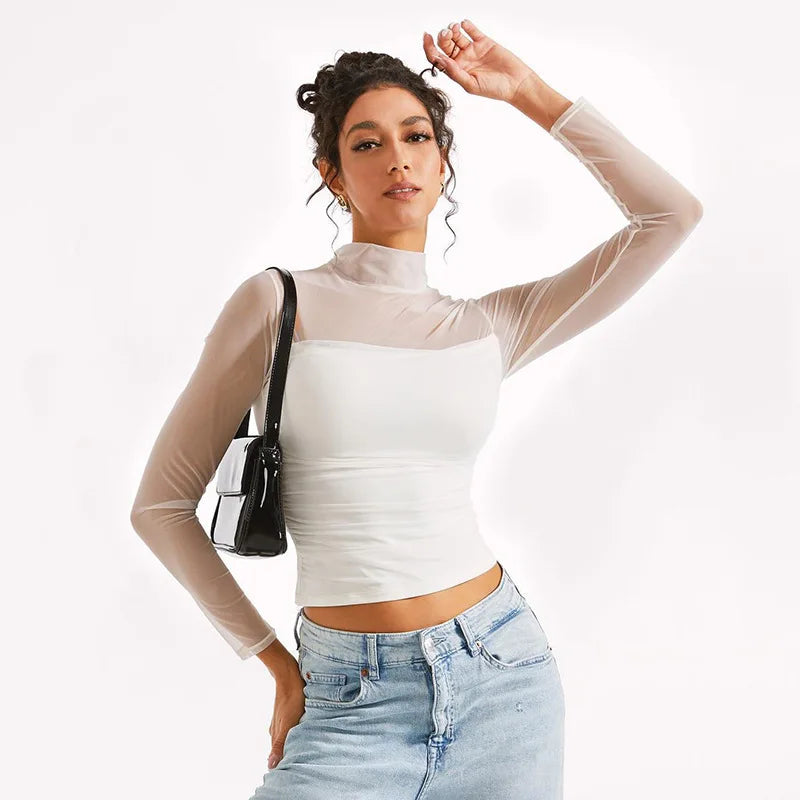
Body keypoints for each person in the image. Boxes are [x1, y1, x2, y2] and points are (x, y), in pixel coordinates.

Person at [129, 19, 703, 800]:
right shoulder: (277, 304)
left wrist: (529, 92)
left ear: (442, 162)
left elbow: (669, 217)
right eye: (366, 143)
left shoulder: (491, 326)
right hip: (348, 701)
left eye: (417, 136)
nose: (397, 157)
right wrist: (272, 661)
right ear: (331, 173)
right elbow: (161, 506)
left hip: (505, 678)